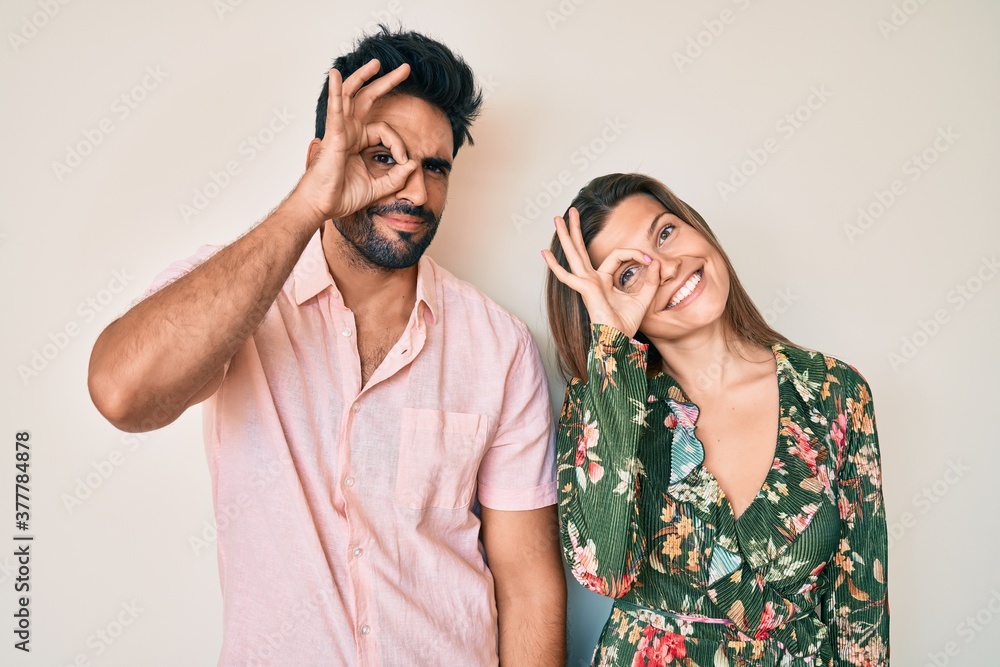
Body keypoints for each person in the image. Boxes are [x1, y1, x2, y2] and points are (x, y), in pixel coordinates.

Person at [88, 27, 566, 666]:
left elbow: (527, 580)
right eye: (381, 156)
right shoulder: (235, 296)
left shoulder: (497, 346)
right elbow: (122, 394)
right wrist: (309, 204)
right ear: (324, 156)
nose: (415, 191)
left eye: (435, 168)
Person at [541, 173, 888, 666]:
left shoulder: (833, 390)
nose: (667, 267)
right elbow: (602, 570)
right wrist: (611, 350)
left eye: (664, 233)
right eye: (628, 274)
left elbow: (862, 606)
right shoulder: (598, 401)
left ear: (697, 227)